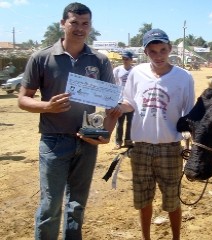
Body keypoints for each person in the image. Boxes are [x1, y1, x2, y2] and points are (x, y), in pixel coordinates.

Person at [17, 3, 120, 239]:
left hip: (87, 141)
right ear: (63, 23)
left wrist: (105, 134)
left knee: (76, 207)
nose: (80, 28)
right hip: (54, 141)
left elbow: (110, 105)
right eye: (74, 22)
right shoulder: (42, 58)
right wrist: (47, 106)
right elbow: (23, 100)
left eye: (85, 24)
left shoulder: (100, 60)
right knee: (50, 206)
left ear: (90, 27)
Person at [118, 28, 195, 240]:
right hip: (140, 147)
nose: (158, 55)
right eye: (153, 51)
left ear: (170, 49)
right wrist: (113, 106)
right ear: (145, 52)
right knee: (143, 199)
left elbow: (189, 113)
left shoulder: (184, 77)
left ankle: (176, 237)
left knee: (172, 200)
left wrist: (190, 140)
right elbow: (129, 103)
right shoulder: (136, 73)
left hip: (170, 148)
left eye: (162, 50)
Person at [113, 50, 134, 150]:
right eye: (123, 58)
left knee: (130, 122)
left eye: (127, 59)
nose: (125, 60)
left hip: (131, 101)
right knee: (119, 123)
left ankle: (128, 141)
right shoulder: (117, 70)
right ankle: (118, 141)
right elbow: (113, 83)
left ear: (131, 60)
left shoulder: (134, 71)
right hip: (120, 100)